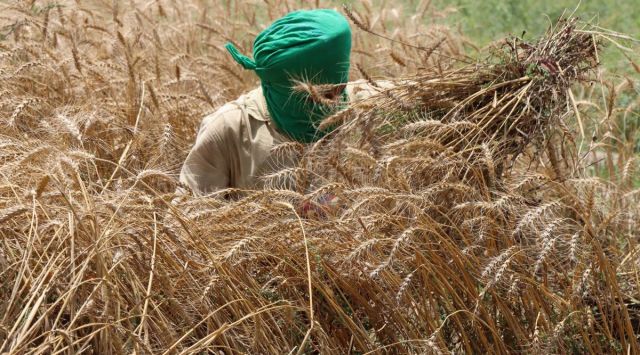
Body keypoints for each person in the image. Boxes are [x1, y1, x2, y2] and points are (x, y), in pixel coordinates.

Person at [179, 9, 382, 196]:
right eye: (324, 95)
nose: (335, 101)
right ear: (285, 88)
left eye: (341, 87)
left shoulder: (372, 105)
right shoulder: (229, 130)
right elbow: (187, 221)